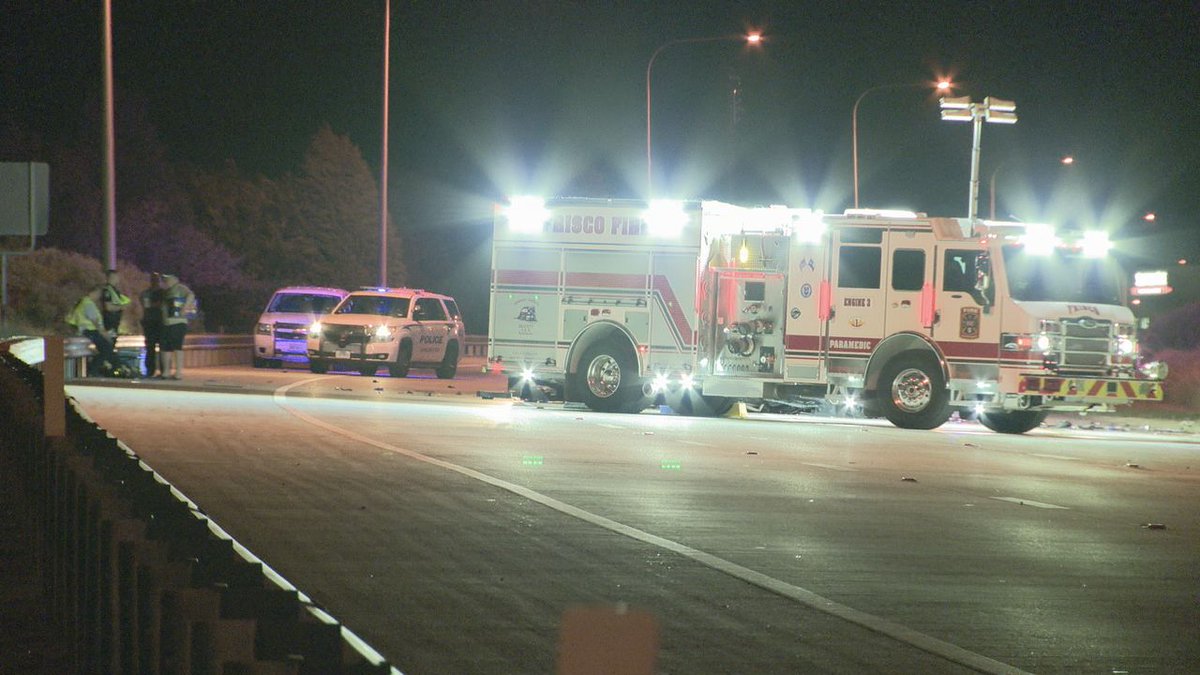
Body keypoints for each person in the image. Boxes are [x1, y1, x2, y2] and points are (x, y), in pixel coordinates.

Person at [66, 285, 116, 376]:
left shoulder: (84, 302)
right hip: (90, 332)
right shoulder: (88, 304)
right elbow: (96, 323)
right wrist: (106, 336)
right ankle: (93, 370)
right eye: (99, 294)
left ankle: (94, 370)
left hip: (87, 331)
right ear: (94, 292)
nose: (99, 296)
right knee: (106, 349)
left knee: (104, 349)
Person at [159, 273, 195, 380]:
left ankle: (179, 371)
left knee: (177, 346)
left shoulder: (181, 288)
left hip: (178, 322)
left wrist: (184, 308)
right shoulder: (166, 292)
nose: (166, 281)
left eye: (168, 279)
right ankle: (166, 371)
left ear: (175, 279)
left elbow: (191, 295)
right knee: (165, 347)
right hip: (166, 323)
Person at [140, 272, 165, 377]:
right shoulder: (164, 293)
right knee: (161, 347)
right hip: (157, 322)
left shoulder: (146, 293)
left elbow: (146, 305)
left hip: (151, 322)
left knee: (151, 347)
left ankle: (151, 370)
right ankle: (162, 370)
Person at [101, 268, 131, 338]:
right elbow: (108, 307)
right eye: (116, 277)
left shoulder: (114, 290)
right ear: (111, 277)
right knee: (109, 342)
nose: (118, 279)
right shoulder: (107, 290)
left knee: (112, 341)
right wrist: (122, 307)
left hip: (114, 321)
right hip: (110, 321)